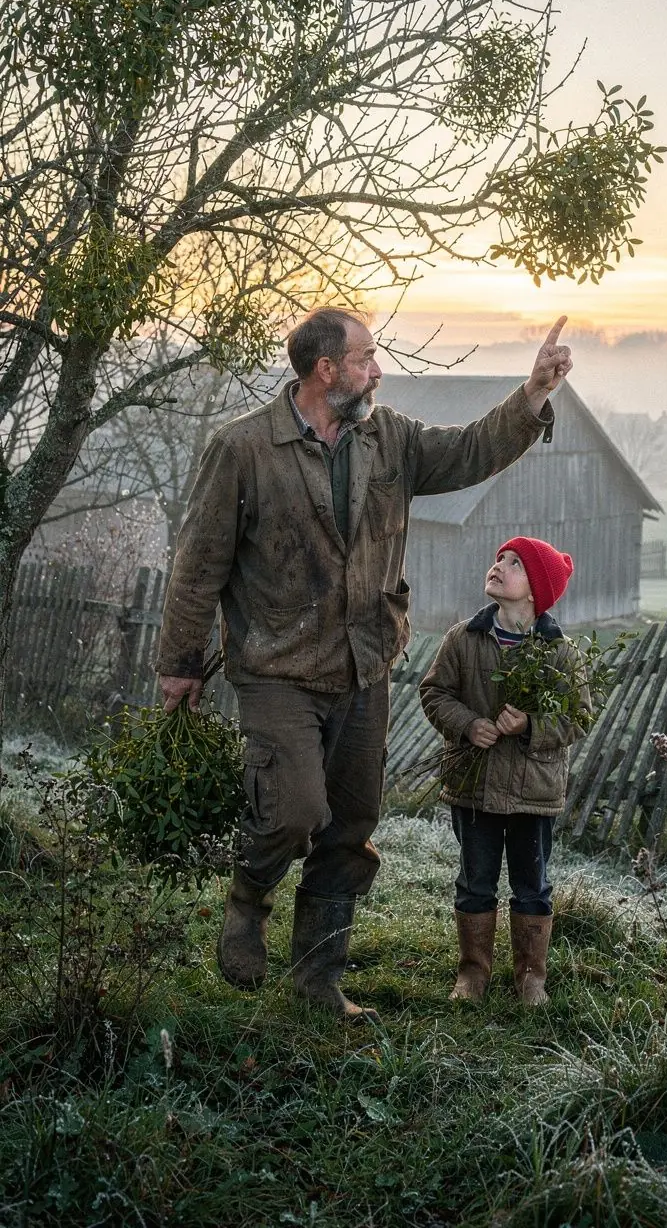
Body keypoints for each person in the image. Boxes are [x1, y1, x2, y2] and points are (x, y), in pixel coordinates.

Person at [156, 307, 572, 1019]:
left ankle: (318, 982)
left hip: (365, 664)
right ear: (327, 371)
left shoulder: (392, 439)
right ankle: (248, 899)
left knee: (351, 825)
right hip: (277, 664)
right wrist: (181, 663)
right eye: (366, 358)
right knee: (294, 811)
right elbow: (198, 565)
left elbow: (472, 450)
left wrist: (532, 394)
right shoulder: (245, 448)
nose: (378, 370)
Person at [418, 537, 590, 1006]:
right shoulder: (463, 638)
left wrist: (531, 725)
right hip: (474, 788)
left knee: (531, 884)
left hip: (533, 793)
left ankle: (531, 977)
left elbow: (579, 716)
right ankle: (472, 974)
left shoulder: (559, 653)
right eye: (499, 558)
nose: (499, 566)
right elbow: (434, 693)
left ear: (536, 590)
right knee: (475, 879)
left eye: (515, 564)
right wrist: (468, 725)